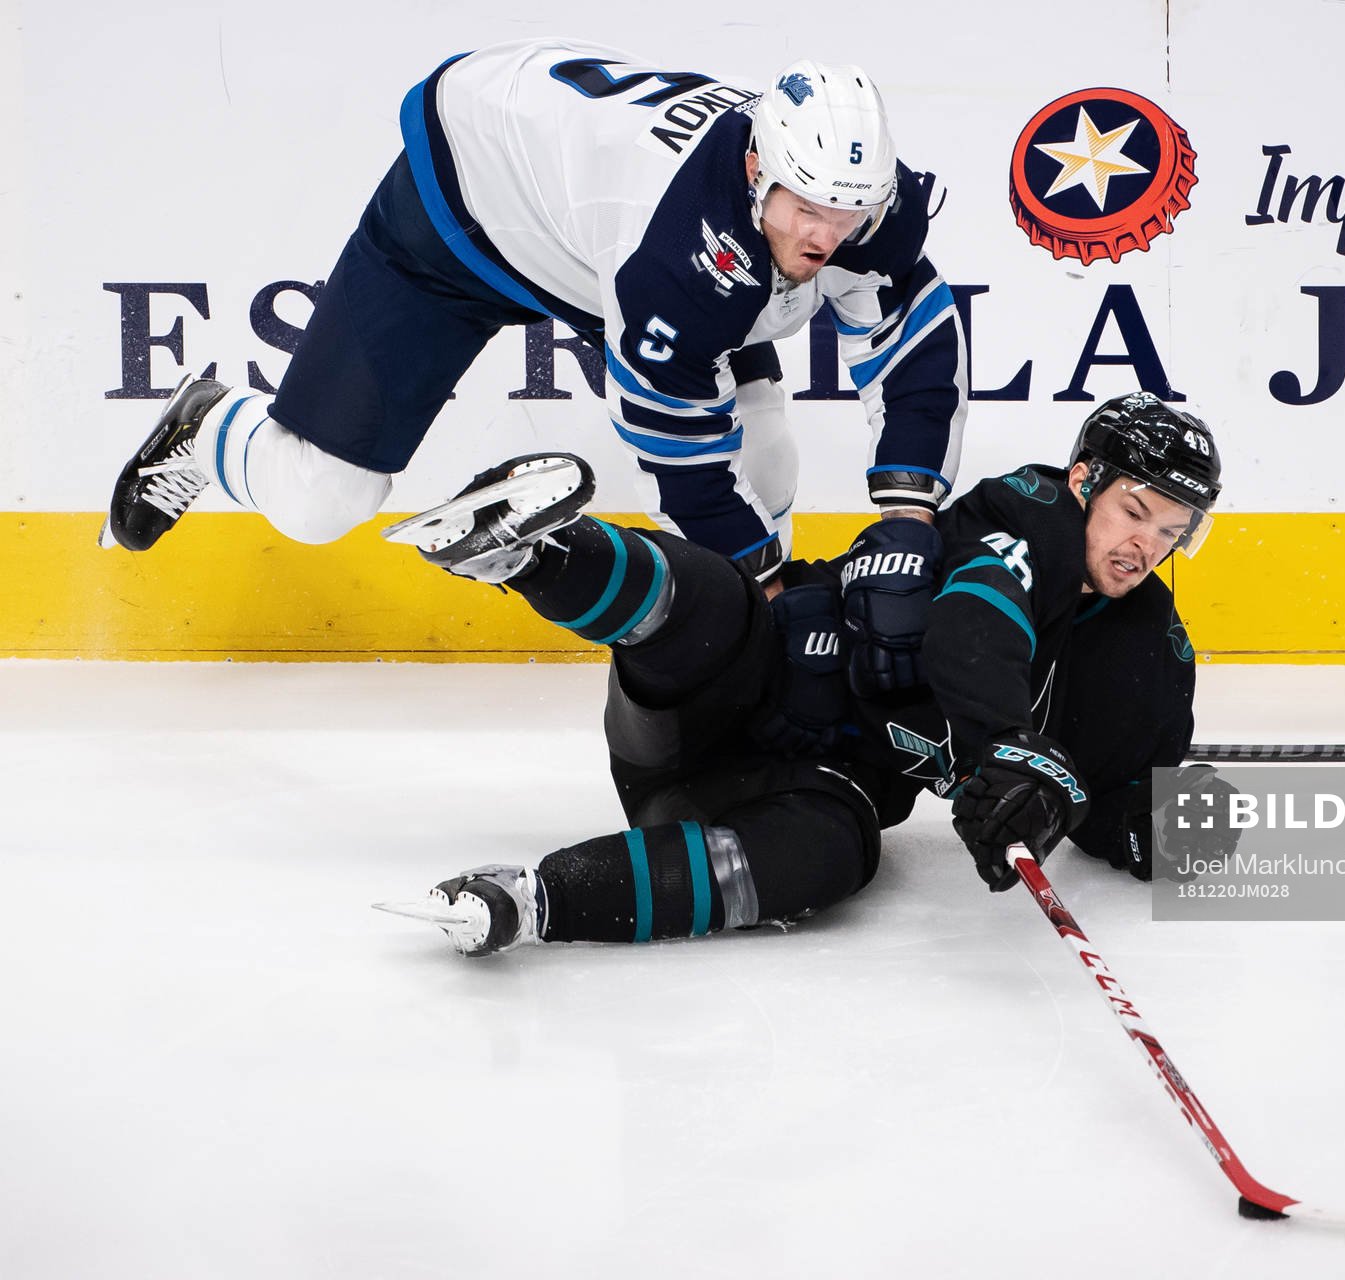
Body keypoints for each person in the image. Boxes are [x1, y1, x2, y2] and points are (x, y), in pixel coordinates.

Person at [100, 37, 964, 633]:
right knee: (318, 500)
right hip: (462, 206)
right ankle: (208, 425)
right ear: (754, 168)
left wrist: (908, 513)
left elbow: (914, 352)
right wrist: (767, 599)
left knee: (766, 446)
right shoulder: (675, 258)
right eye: (806, 209)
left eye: (848, 214)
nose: (826, 237)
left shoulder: (855, 205)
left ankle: (750, 637)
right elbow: (681, 457)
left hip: (585, 222)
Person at [375, 392, 1241, 956]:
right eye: (1135, 512)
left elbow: (1122, 790)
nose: (1145, 545)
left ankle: (526, 903)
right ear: (1084, 480)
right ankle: (534, 556)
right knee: (720, 602)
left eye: (1173, 532)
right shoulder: (1027, 519)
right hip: (716, 695)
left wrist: (1160, 828)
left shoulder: (1143, 647)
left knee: (834, 855)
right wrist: (1008, 744)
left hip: (785, 788)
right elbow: (976, 624)